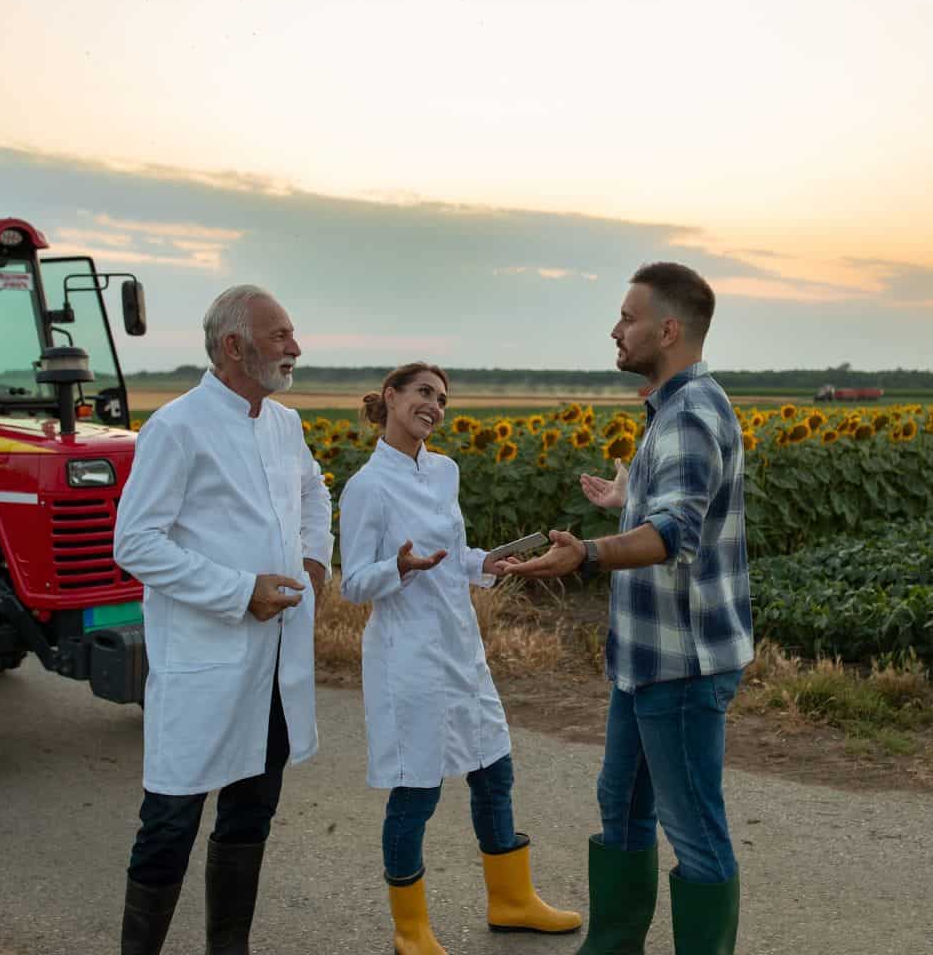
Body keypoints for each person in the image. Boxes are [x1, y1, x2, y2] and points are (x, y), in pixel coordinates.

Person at [504, 262, 753, 955]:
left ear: (668, 329)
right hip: (647, 661)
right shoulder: (675, 411)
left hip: (681, 664)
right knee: (621, 806)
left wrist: (585, 552)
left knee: (695, 832)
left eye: (629, 318)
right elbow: (678, 506)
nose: (616, 329)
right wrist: (629, 497)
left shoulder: (690, 416)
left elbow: (675, 535)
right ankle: (611, 946)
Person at [113, 284, 333, 955]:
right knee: (172, 819)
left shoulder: (283, 424)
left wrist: (314, 567)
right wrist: (241, 591)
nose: (294, 348)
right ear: (234, 347)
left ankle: (227, 948)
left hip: (271, 664)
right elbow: (136, 544)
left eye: (292, 333)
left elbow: (314, 492)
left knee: (249, 816)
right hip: (206, 660)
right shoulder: (176, 428)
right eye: (279, 337)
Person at [338, 362, 581, 954]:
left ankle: (511, 901)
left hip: (459, 646)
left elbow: (454, 551)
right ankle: (411, 929)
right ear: (391, 397)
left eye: (442, 399)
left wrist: (485, 564)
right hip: (408, 659)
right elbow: (352, 583)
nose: (434, 406)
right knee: (416, 791)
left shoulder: (444, 470)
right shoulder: (367, 486)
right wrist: (397, 567)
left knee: (493, 771)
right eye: (423, 393)